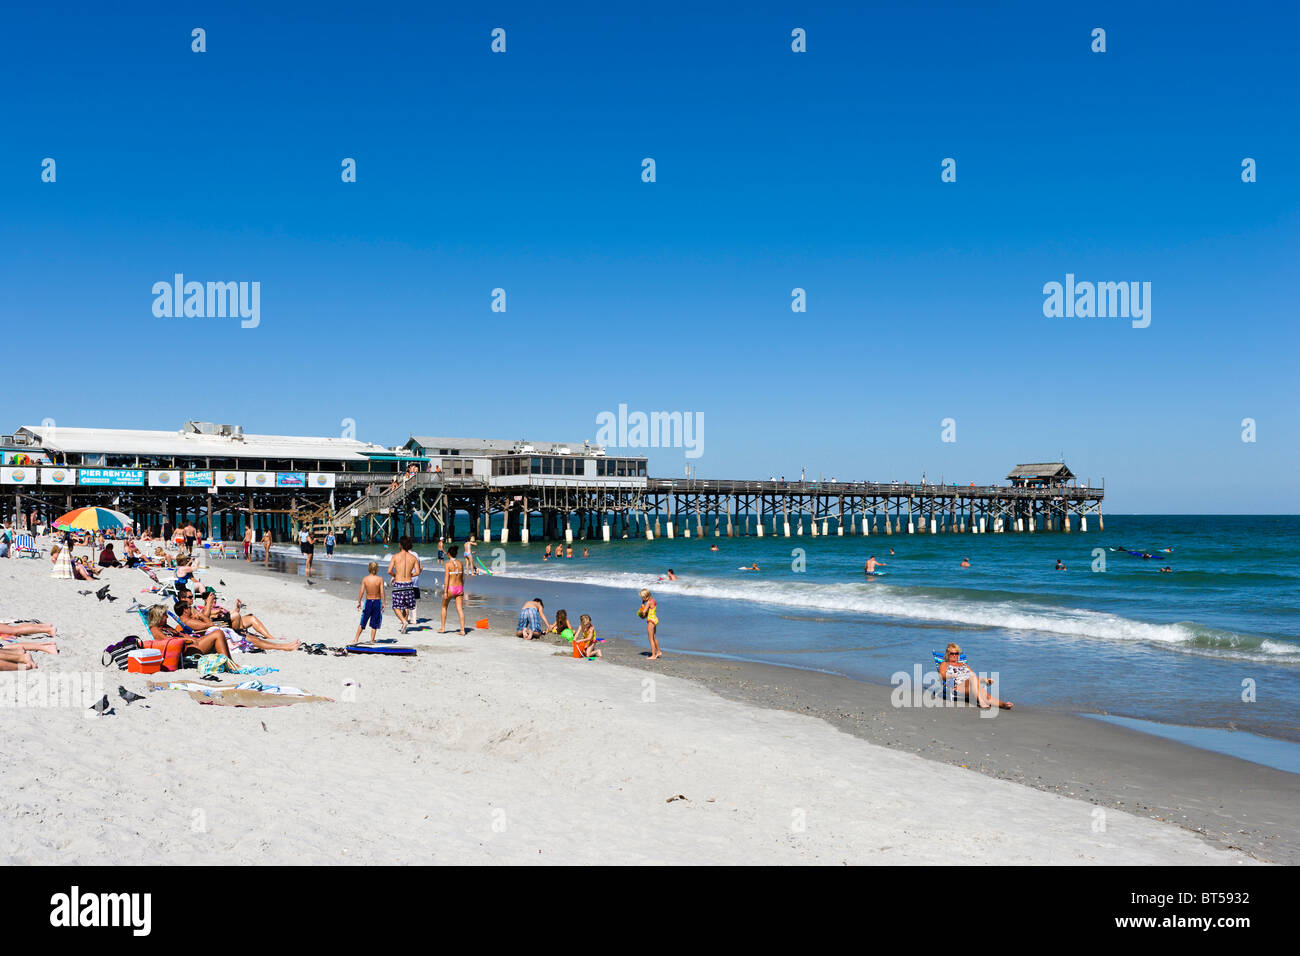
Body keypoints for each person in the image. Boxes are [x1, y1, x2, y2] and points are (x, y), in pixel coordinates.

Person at [937, 642, 1013, 709]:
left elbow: (974, 678)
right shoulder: (945, 664)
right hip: (956, 687)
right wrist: (951, 675)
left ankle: (1003, 704)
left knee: (985, 694)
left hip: (970, 686)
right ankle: (980, 701)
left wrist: (984, 679)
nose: (954, 655)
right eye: (952, 653)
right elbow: (942, 675)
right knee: (973, 678)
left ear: (958, 654)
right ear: (948, 654)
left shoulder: (964, 664)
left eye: (956, 653)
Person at [146, 603, 235, 659]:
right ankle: (229, 663)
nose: (167, 617)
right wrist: (189, 641)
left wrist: (195, 639)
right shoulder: (155, 629)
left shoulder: (165, 626)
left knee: (217, 633)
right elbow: (168, 642)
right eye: (165, 615)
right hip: (185, 651)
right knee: (218, 634)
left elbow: (180, 634)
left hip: (191, 645)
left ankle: (228, 661)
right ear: (159, 616)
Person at [387, 536, 421, 634]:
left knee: (396, 606)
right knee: (406, 606)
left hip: (399, 584)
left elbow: (389, 571)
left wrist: (396, 575)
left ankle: (404, 621)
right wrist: (410, 574)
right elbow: (418, 572)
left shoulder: (395, 556)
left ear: (401, 545)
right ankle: (404, 627)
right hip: (409, 584)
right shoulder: (413, 558)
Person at [354, 561, 385, 643]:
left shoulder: (365, 579)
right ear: (377, 569)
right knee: (374, 622)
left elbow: (361, 591)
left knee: (363, 620)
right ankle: (372, 640)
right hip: (377, 602)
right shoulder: (380, 579)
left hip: (368, 602)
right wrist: (384, 603)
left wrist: (359, 601)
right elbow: (382, 592)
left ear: (369, 569)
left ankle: (356, 639)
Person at [440, 545, 467, 635]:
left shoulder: (447, 564)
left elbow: (446, 578)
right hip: (459, 588)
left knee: (444, 607)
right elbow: (463, 577)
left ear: (449, 554)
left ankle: (443, 628)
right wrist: (462, 588)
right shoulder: (460, 564)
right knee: (460, 609)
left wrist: (445, 591)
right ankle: (462, 630)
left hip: (450, 589)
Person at [638, 588, 662, 660]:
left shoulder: (648, 602)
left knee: (650, 638)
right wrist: (643, 602)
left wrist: (642, 607)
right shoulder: (653, 600)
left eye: (642, 598)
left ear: (646, 597)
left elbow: (644, 612)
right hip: (655, 618)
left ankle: (653, 655)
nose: (642, 599)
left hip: (651, 620)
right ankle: (658, 651)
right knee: (654, 637)